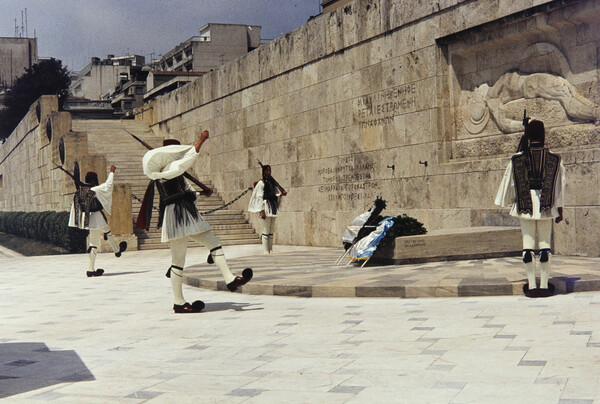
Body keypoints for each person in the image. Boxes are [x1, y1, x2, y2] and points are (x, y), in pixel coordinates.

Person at [137, 130, 252, 314]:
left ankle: (229, 279)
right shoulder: (168, 170)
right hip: (178, 215)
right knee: (179, 261)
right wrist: (201, 140)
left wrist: (201, 193)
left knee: (211, 244)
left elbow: (189, 192)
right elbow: (186, 161)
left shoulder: (174, 172)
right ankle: (179, 302)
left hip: (184, 213)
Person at [495, 120, 565, 297]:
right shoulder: (554, 158)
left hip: (525, 206)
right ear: (543, 135)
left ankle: (532, 286)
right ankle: (544, 285)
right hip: (547, 206)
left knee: (527, 247)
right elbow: (560, 185)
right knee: (545, 246)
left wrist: (513, 201)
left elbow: (510, 183)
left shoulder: (517, 158)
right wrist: (559, 208)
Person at [68, 165, 127, 277]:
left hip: (88, 219)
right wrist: (111, 172)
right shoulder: (95, 189)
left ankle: (114, 252)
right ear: (93, 180)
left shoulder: (81, 191)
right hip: (97, 218)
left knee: (101, 236)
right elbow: (108, 185)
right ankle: (114, 252)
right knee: (100, 237)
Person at [248, 162, 287, 254]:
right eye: (267, 171)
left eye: (269, 171)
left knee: (271, 230)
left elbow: (275, 194)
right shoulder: (261, 183)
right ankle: (266, 251)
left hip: (273, 206)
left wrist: (281, 194)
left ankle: (270, 250)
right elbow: (259, 197)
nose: (268, 172)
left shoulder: (272, 183)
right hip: (265, 207)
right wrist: (261, 211)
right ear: (264, 172)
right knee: (265, 229)